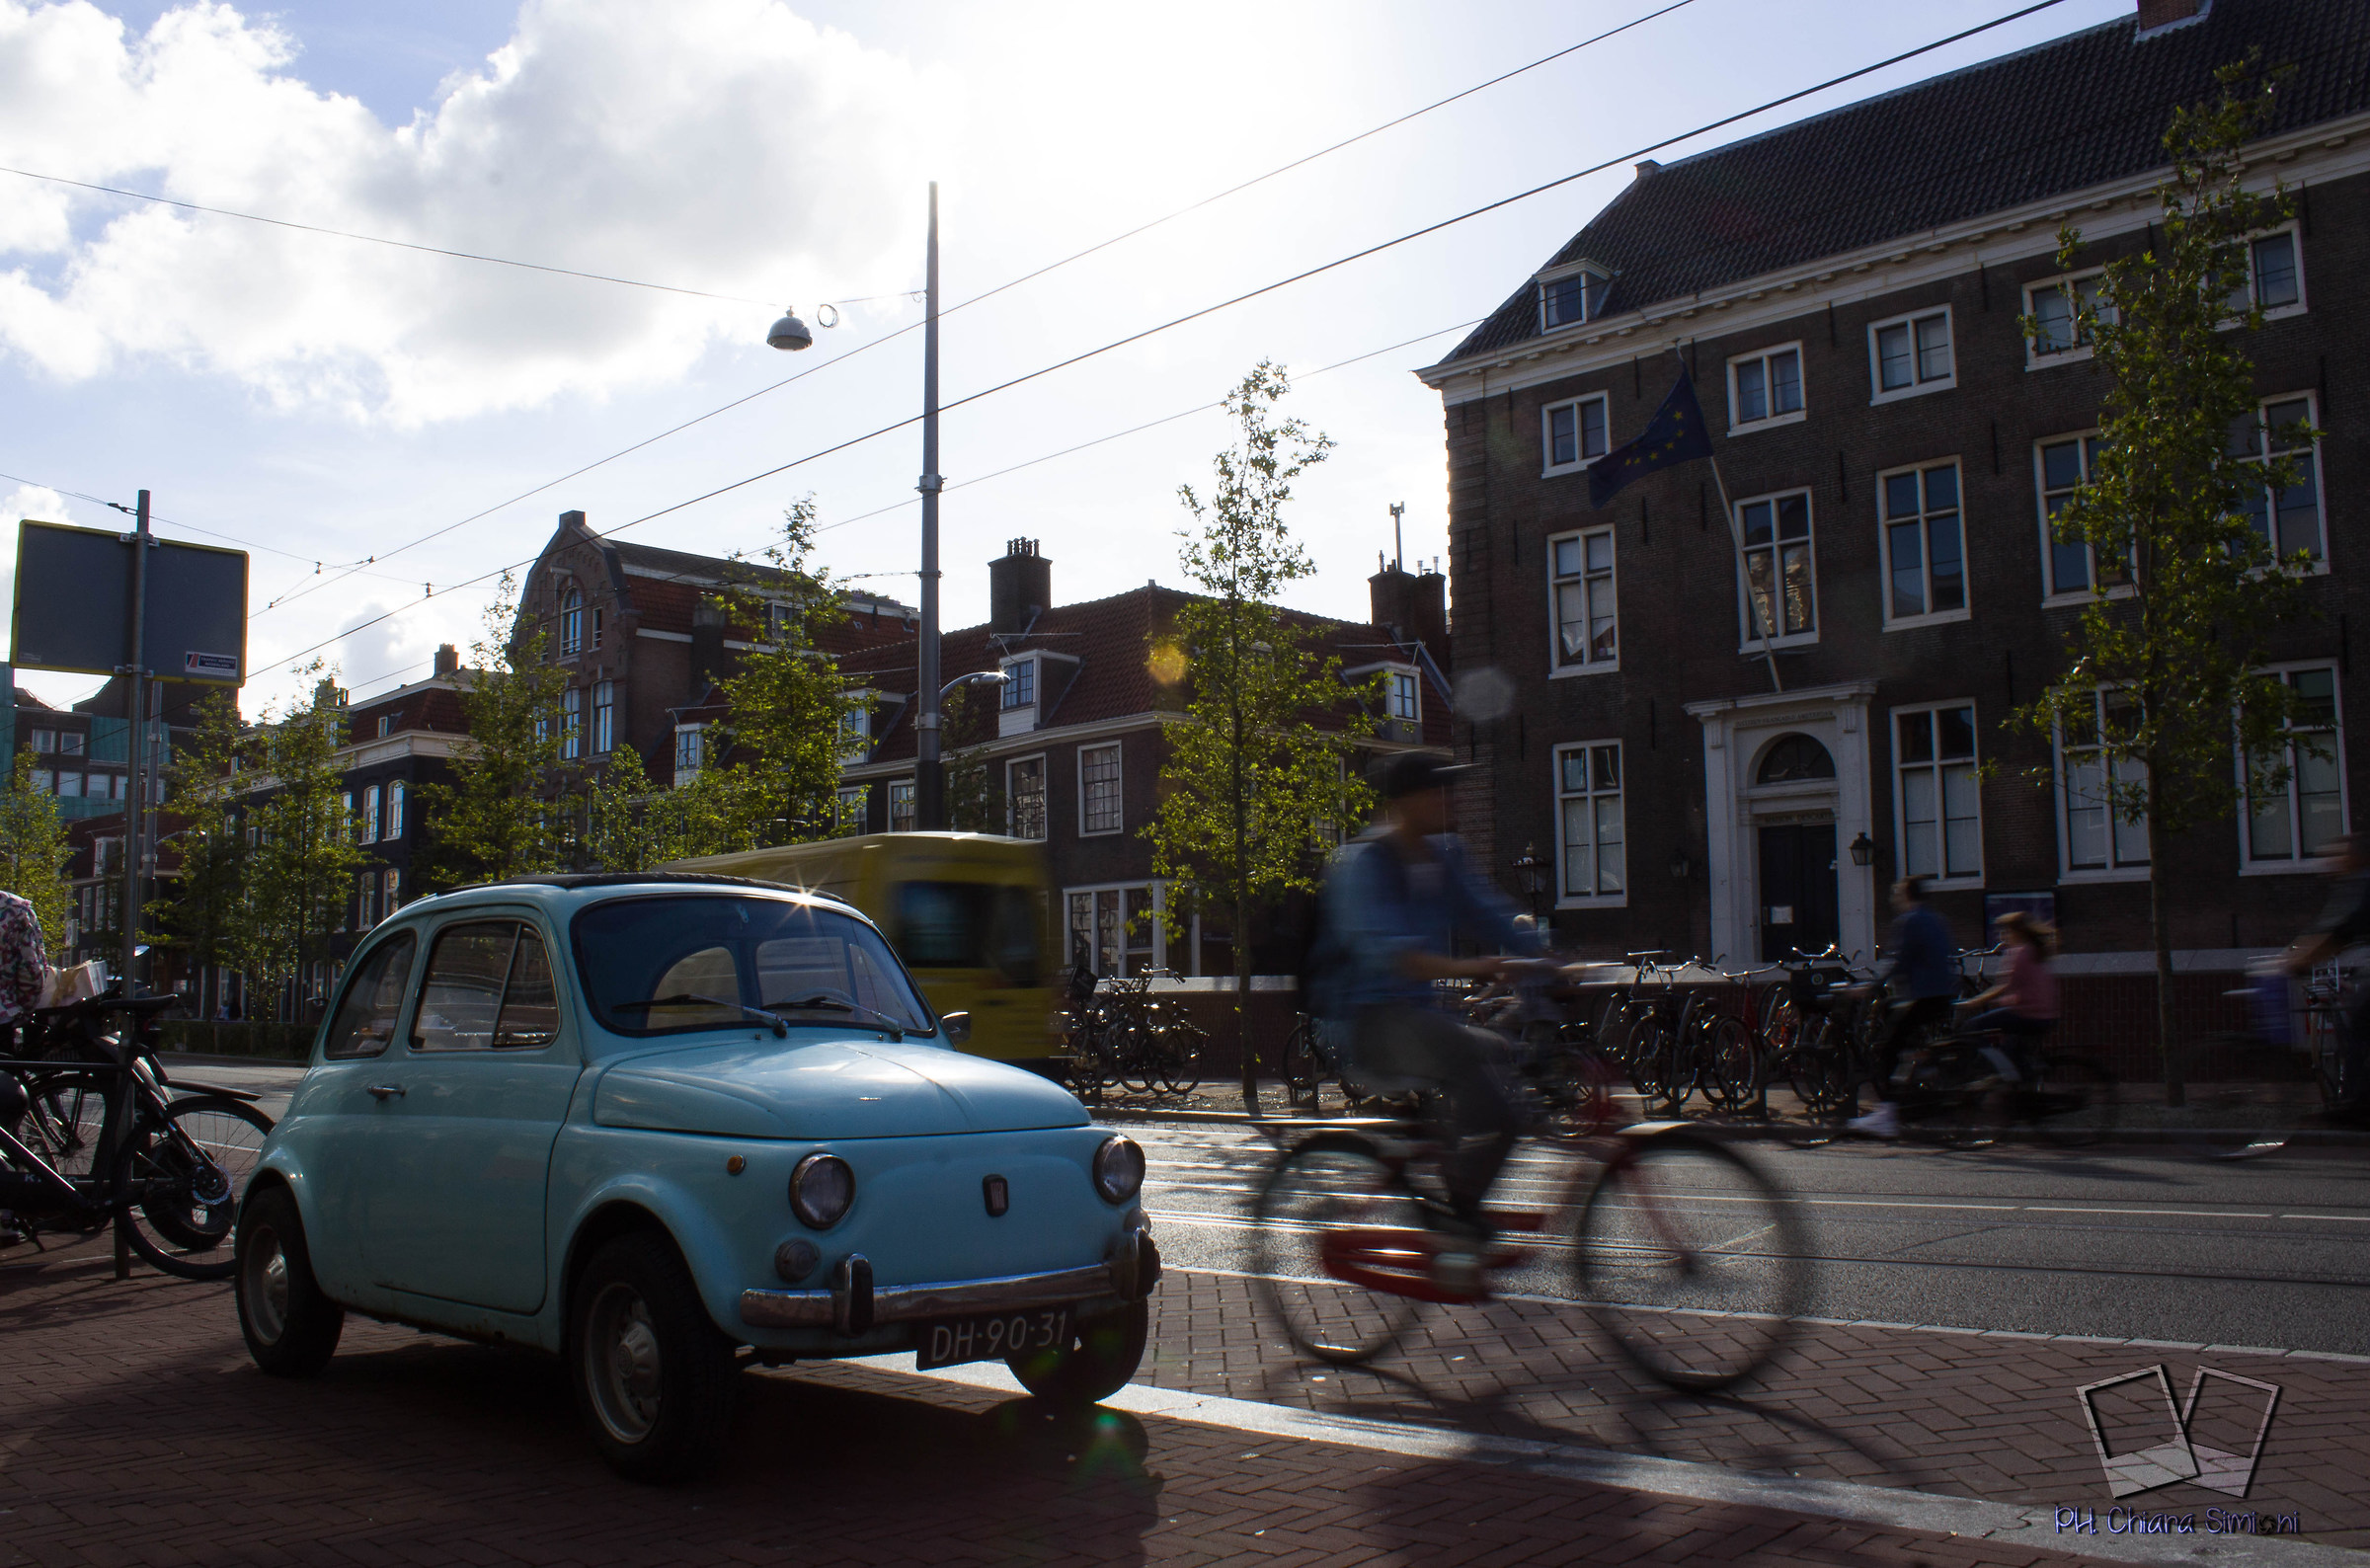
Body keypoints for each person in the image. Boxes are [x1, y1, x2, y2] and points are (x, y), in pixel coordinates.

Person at [1317, 752, 1540, 1291]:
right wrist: (1474, 965)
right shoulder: (1361, 865)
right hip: (1367, 1024)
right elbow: (1388, 952)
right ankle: (1457, 1221)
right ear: (1402, 803)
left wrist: (1550, 958)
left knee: (1501, 1054)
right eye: (1435, 792)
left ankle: (1451, 1198)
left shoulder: (1444, 857)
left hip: (1416, 1020)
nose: (1448, 801)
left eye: (1449, 791)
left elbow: (1486, 912)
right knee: (1493, 1095)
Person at [1847, 876, 1957, 1139]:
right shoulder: (1936, 919)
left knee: (1887, 1048)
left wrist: (1870, 987)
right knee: (1908, 1038)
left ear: (1907, 894)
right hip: (1944, 994)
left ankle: (1887, 1115)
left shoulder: (1910, 920)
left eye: (1896, 893)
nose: (1893, 899)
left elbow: (1898, 960)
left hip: (1924, 995)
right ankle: (1924, 1071)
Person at [2285, 832, 2370, 1124]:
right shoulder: (2355, 884)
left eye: (2339, 856)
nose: (2331, 863)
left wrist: (2294, 963)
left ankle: (2358, 1106)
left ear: (2356, 857)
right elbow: (2329, 929)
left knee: (2363, 1016)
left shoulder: (2364, 881)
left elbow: (2340, 931)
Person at [0, 887, 52, 1248]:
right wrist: (24, 1007)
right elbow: (32, 975)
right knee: (5, 1119)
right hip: (1, 1024)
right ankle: (6, 1216)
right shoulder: (14, 910)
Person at [1962, 911, 2059, 1084]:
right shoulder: (2035, 951)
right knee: (2012, 1051)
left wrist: (1973, 1002)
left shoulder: (2018, 953)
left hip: (2028, 1014)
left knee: (1972, 1026)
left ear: (2017, 933)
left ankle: (1991, 1068)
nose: (2002, 936)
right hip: (2045, 1014)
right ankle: (2020, 1080)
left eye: (2005, 931)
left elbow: (2003, 986)